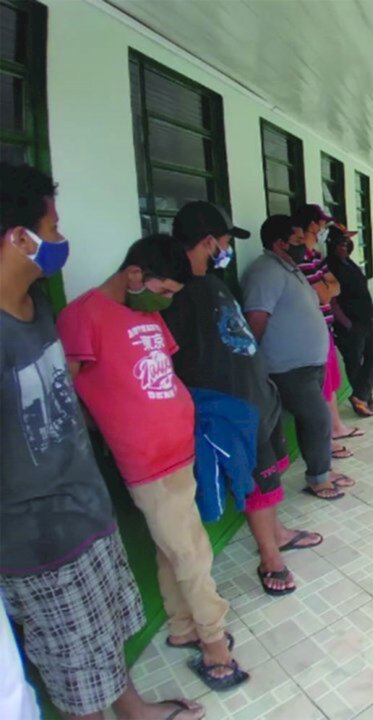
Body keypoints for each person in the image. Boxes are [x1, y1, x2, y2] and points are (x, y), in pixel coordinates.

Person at [0, 164, 205, 719]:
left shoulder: (37, 308)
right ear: (20, 237)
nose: (62, 241)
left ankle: (133, 709)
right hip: (37, 539)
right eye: (54, 227)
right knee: (73, 664)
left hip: (89, 505)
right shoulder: (58, 318)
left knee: (107, 632)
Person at [56, 233, 248, 692]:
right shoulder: (82, 316)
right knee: (192, 552)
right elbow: (67, 391)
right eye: (163, 291)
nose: (165, 301)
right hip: (147, 461)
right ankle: (215, 642)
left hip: (179, 449)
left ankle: (183, 627)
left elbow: (161, 372)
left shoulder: (145, 312)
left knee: (171, 547)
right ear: (135, 274)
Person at [163, 201, 326, 597]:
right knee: (258, 480)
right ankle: (270, 557)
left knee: (272, 471)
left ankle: (279, 532)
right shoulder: (176, 293)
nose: (225, 248)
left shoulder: (212, 283)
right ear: (207, 241)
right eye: (223, 241)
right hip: (231, 406)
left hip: (256, 395)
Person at [242, 215, 355, 500]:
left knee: (312, 421)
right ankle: (318, 478)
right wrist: (250, 360)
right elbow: (256, 316)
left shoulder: (290, 269)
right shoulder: (265, 271)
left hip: (308, 364)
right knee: (318, 419)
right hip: (288, 367)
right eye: (296, 240)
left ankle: (322, 471)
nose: (303, 245)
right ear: (279, 243)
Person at [292, 204, 363, 454]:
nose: (323, 229)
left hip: (325, 327)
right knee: (320, 385)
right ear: (312, 225)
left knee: (331, 380)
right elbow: (324, 294)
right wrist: (328, 286)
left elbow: (335, 286)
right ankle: (326, 439)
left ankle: (336, 427)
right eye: (321, 224)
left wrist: (328, 286)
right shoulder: (300, 258)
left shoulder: (315, 257)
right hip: (313, 329)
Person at [325, 223, 373, 417]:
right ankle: (364, 401)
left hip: (365, 320)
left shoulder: (348, 262)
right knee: (354, 362)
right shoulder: (330, 266)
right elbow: (331, 299)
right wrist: (346, 323)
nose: (344, 247)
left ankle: (361, 396)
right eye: (340, 243)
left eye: (346, 243)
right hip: (349, 323)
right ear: (331, 244)